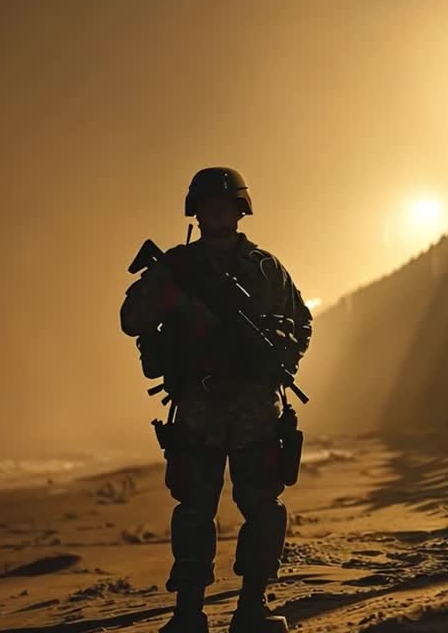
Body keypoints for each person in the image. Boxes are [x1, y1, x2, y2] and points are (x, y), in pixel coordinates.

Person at [120, 167, 312, 633]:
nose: (217, 212)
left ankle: (252, 608)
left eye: (225, 205)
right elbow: (132, 319)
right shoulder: (176, 268)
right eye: (208, 205)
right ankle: (187, 614)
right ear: (196, 211)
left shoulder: (266, 268)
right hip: (200, 404)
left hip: (254, 405)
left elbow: (302, 323)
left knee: (263, 507)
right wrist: (168, 298)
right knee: (193, 511)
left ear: (241, 209)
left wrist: (279, 349)